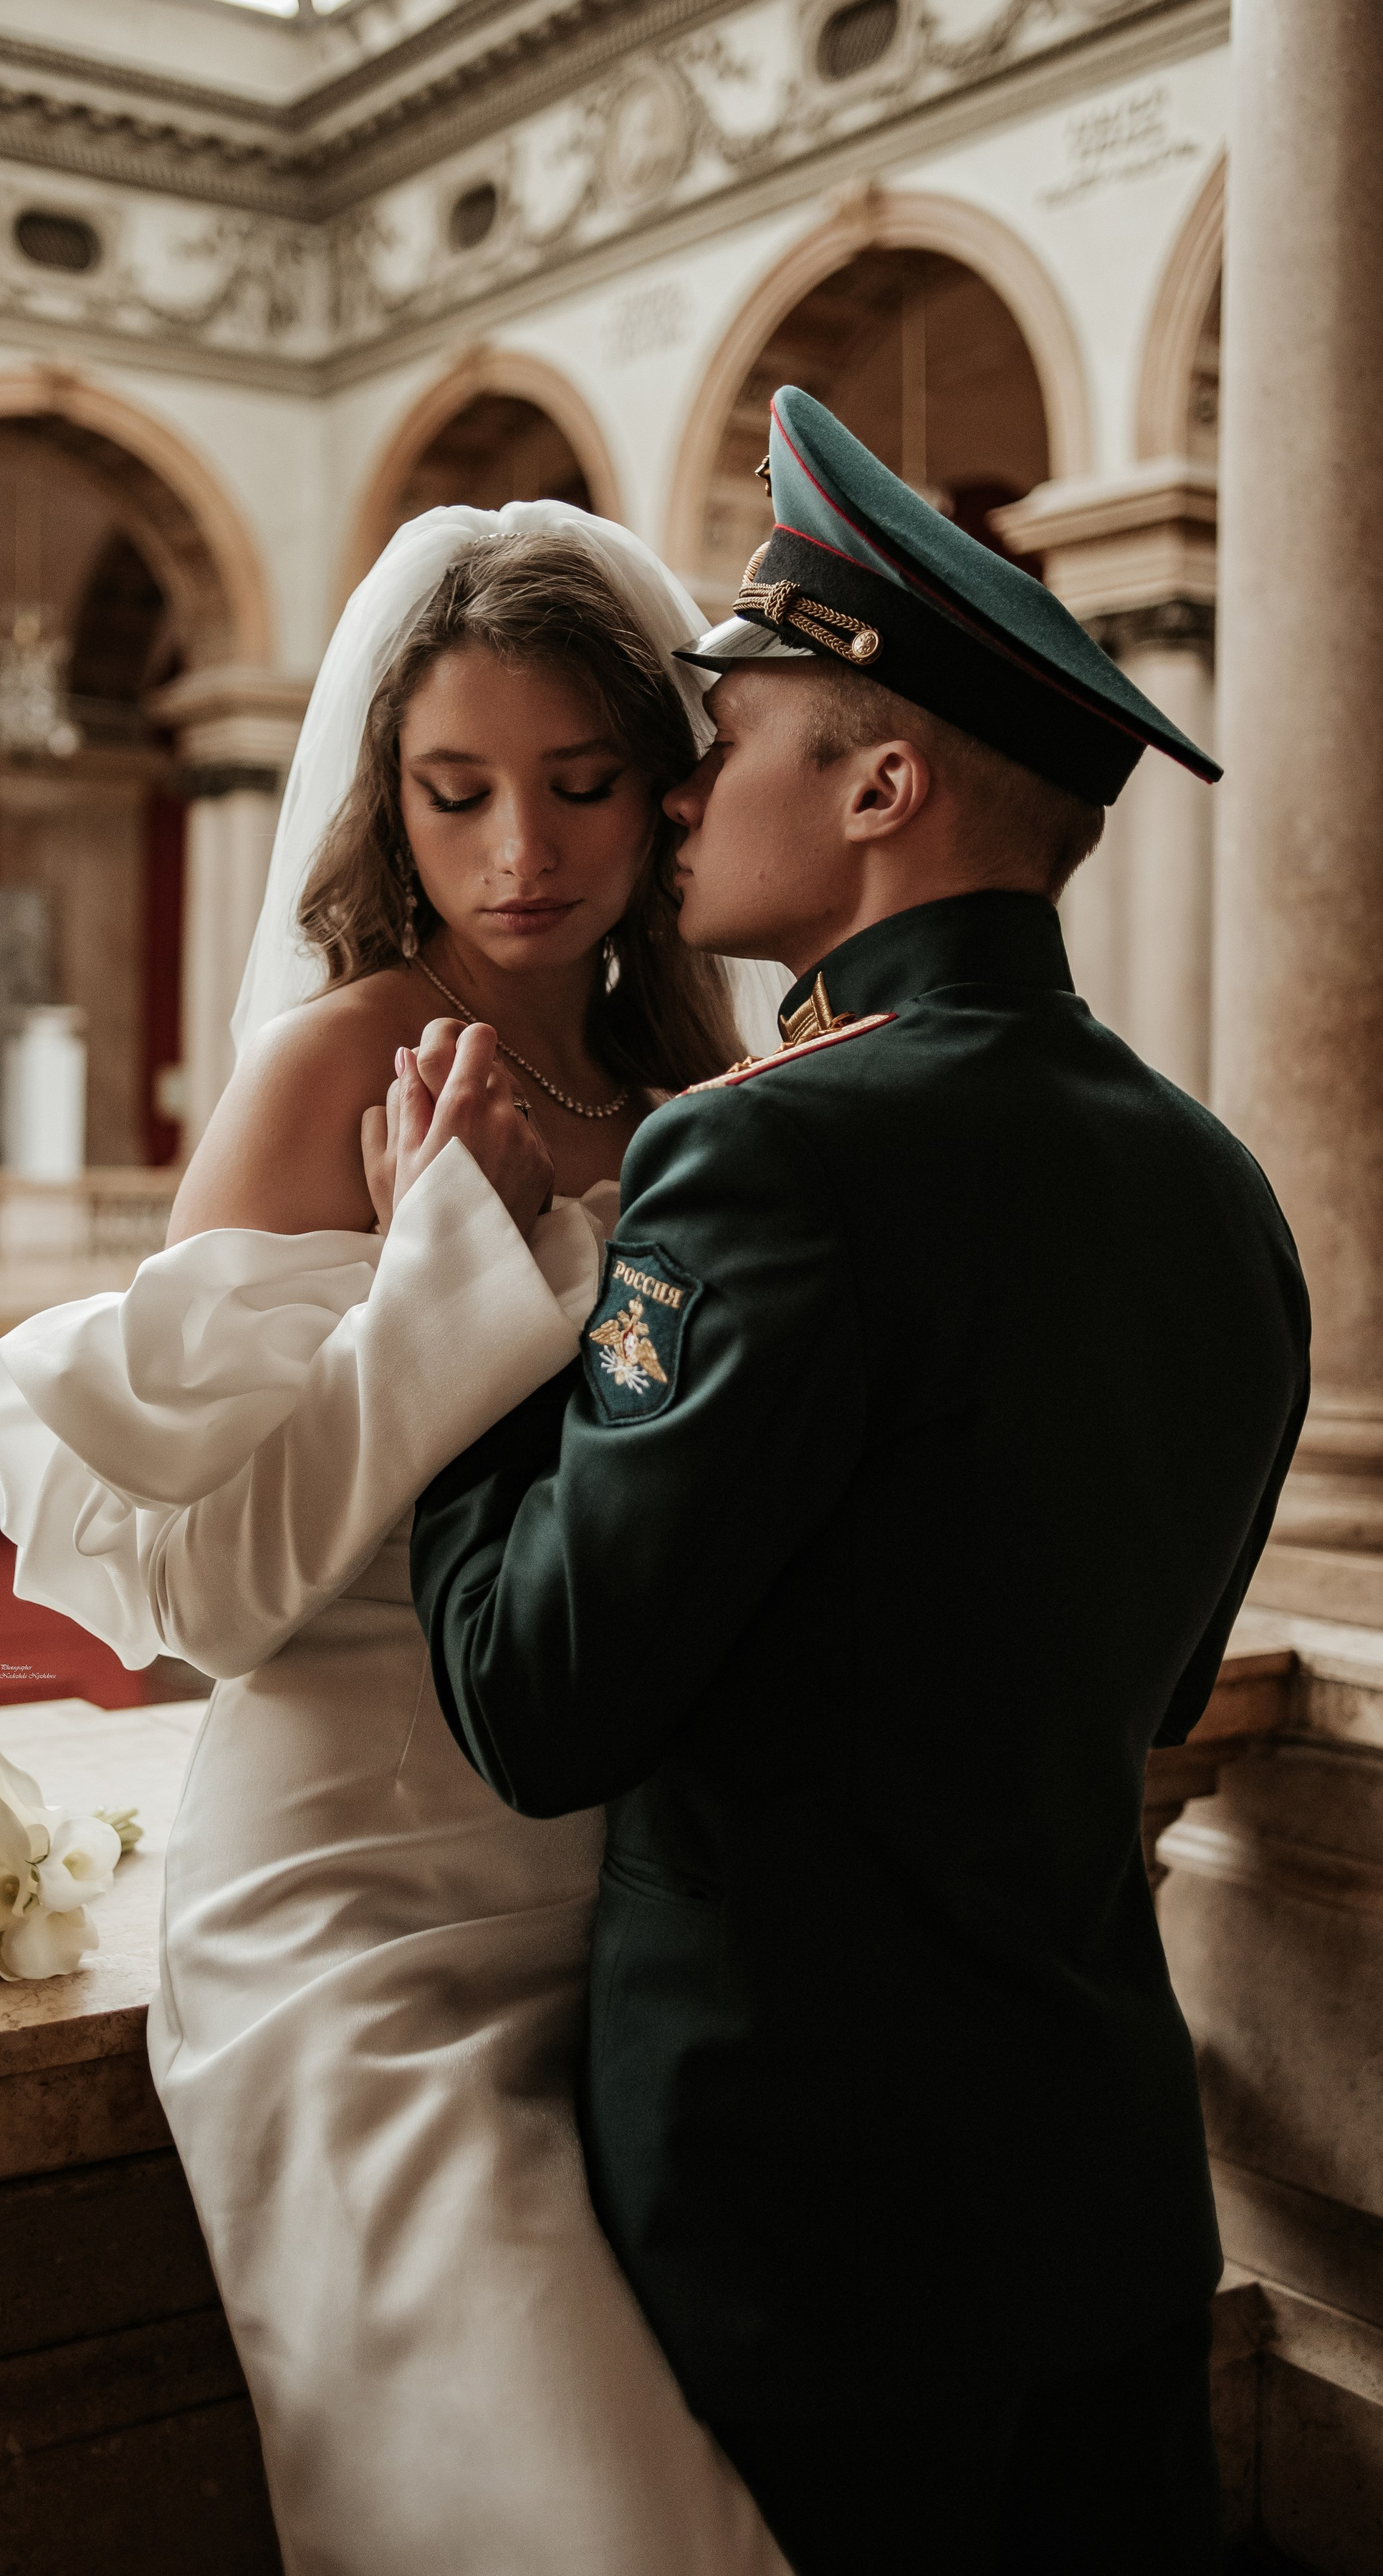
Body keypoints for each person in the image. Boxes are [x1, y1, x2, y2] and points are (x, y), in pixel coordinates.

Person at [408, 389, 1311, 2575]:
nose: (686, 787)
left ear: (885, 781)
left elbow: (542, 1699)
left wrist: (472, 1308)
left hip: (800, 2224)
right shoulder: (1223, 1192)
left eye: (742, 732)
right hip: (1101, 2193)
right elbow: (1162, 1675)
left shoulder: (769, 1150)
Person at [0, 504, 793, 2576]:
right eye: (457, 794)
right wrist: (448, 1248)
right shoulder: (337, 1060)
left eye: (580, 784)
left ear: (669, 788)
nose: (520, 848)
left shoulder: (701, 1085)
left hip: (632, 1890)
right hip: (356, 1906)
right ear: (389, 800)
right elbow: (223, 1589)